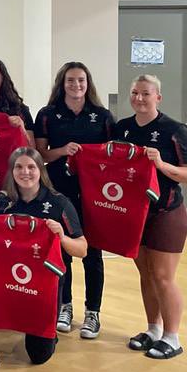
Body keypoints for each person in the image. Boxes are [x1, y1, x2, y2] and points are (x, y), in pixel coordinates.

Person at [0, 148, 88, 372]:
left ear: (40, 170)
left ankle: (45, 331)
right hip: (4, 274)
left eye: (31, 167)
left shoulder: (59, 203)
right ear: (12, 171)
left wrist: (62, 237)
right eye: (19, 167)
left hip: (44, 281)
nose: (25, 172)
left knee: (39, 356)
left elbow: (82, 249)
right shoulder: (2, 201)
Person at [115, 74, 187, 360]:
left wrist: (161, 164)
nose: (139, 98)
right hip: (135, 214)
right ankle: (153, 329)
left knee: (163, 277)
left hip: (166, 212)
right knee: (145, 274)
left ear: (157, 98)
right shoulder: (122, 128)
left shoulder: (174, 130)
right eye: (135, 93)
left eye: (146, 94)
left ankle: (172, 337)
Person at [34, 62, 114, 338]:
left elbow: (111, 155)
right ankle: (65, 306)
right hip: (59, 193)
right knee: (63, 252)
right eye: (70, 80)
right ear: (62, 83)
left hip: (94, 197)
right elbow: (40, 154)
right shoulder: (47, 114)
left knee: (92, 255)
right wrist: (62, 150)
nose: (76, 85)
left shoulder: (102, 116)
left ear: (88, 83)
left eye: (81, 80)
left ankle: (93, 312)